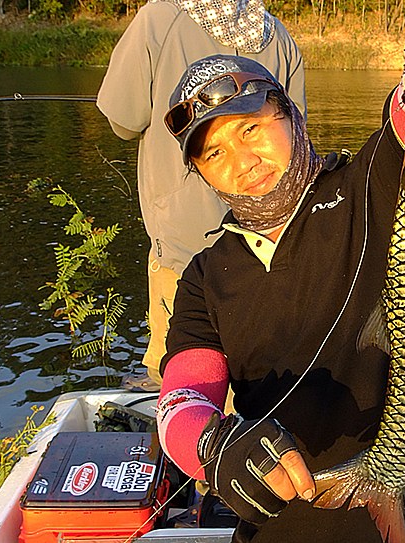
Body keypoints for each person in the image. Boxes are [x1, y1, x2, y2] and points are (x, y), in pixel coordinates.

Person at [156, 2, 405, 543]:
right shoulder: (205, 276)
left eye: (250, 128)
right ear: (203, 174)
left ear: (290, 117)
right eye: (214, 153)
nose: (243, 162)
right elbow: (181, 402)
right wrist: (215, 448)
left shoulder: (370, 181)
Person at [96, 0, 306, 391]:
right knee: (263, 375)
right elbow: (296, 136)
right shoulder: (277, 35)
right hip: (267, 242)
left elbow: (122, 121)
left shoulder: (156, 19)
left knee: (181, 374)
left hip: (182, 243)